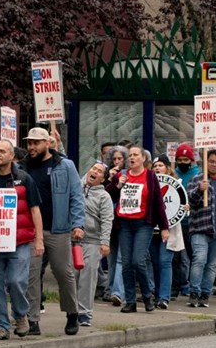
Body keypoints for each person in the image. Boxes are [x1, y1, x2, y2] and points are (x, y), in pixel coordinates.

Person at [0, 139, 43, 340]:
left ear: (12, 156)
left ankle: (20, 314)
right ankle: (1, 326)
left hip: (19, 242)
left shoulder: (24, 179)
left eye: (2, 151)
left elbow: (35, 209)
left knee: (16, 281)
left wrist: (39, 239)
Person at [22, 127, 85, 336]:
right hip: (31, 231)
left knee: (63, 273)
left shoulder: (65, 165)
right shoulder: (23, 168)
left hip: (58, 229)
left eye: (36, 143)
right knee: (32, 275)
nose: (31, 147)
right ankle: (33, 320)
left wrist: (78, 224)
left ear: (47, 144)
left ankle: (72, 312)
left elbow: (76, 196)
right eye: (29, 143)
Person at [107, 145, 170, 312]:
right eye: (130, 156)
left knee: (138, 261)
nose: (132, 158)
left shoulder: (150, 176)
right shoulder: (122, 175)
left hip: (143, 224)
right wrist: (117, 185)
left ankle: (148, 295)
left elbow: (158, 202)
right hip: (124, 224)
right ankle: (130, 301)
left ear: (143, 159)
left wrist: (164, 227)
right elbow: (108, 195)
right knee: (127, 264)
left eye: (135, 155)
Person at [186, 149, 216, 308]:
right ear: (205, 162)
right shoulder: (196, 179)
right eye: (211, 161)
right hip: (200, 228)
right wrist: (200, 190)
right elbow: (191, 201)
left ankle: (205, 294)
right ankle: (194, 292)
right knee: (199, 260)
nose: (214, 164)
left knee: (212, 265)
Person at [78, 162, 113, 324]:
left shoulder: (104, 197)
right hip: (73, 240)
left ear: (103, 179)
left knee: (88, 277)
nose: (95, 172)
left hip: (93, 241)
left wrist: (105, 242)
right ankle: (72, 310)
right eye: (93, 168)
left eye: (99, 171)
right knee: (72, 276)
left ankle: (84, 313)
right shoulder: (77, 186)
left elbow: (107, 220)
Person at [149, 156, 184, 308]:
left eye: (161, 165)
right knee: (155, 263)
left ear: (168, 168)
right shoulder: (147, 184)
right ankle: (157, 295)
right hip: (151, 230)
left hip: (168, 230)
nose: (157, 168)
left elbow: (181, 204)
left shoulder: (177, 185)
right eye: (155, 165)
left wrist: (184, 208)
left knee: (164, 262)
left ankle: (164, 297)